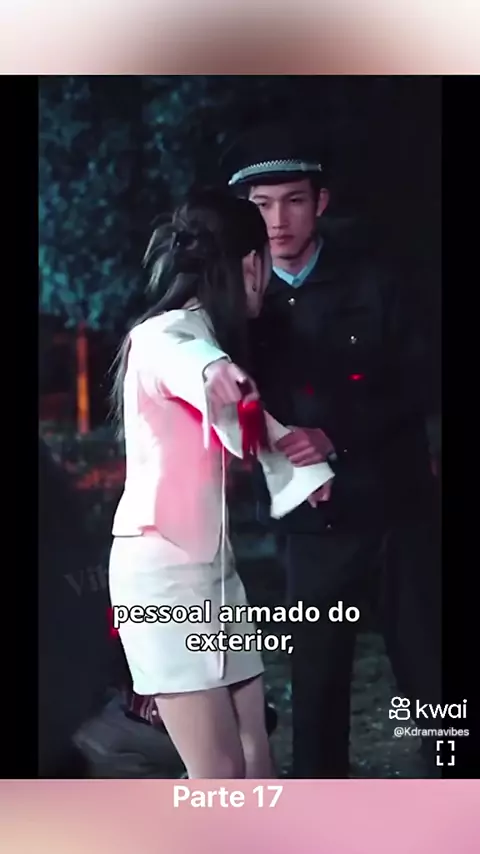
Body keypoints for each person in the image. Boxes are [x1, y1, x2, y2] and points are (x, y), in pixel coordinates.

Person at [223, 123, 441, 778]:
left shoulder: (376, 280)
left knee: (433, 675)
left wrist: (336, 435)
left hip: (400, 511)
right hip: (312, 527)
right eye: (261, 205)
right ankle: (321, 809)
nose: (278, 220)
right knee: (316, 684)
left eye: (294, 200)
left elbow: (423, 380)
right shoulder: (237, 302)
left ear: (320, 202)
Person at [108, 189, 334, 780]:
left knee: (257, 760)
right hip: (163, 581)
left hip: (214, 571)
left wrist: (301, 468)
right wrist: (214, 371)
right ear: (251, 264)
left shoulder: (202, 335)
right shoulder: (166, 335)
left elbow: (247, 419)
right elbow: (188, 360)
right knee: (219, 774)